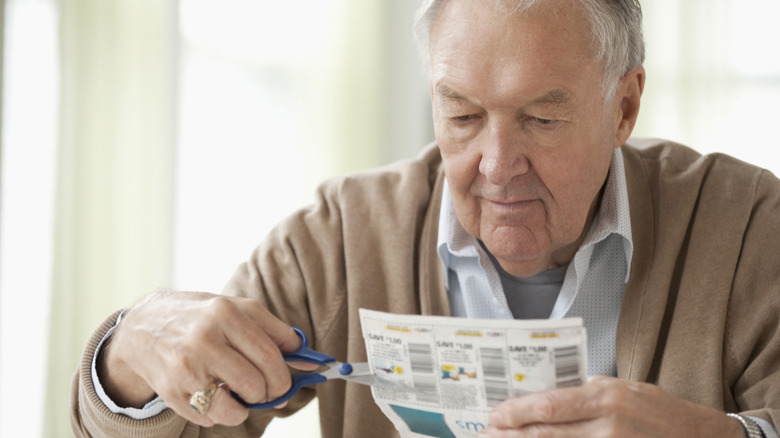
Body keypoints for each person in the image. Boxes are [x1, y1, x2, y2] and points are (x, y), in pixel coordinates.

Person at [71, 0, 780, 437]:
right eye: (463, 115)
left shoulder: (749, 227)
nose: (497, 164)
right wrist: (131, 352)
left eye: (542, 117)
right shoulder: (339, 238)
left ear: (624, 106)